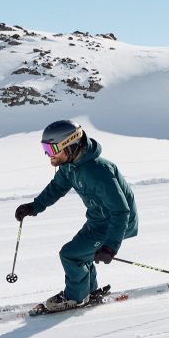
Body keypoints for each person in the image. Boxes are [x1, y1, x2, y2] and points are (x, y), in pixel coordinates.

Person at [15, 119, 138, 313]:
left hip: (116, 224)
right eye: (45, 148)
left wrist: (110, 247)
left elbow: (121, 211)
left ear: (70, 145)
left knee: (71, 254)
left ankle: (75, 298)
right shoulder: (69, 166)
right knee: (80, 255)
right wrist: (33, 207)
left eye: (52, 148)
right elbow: (57, 187)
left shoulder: (99, 171)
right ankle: (88, 291)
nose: (48, 154)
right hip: (98, 221)